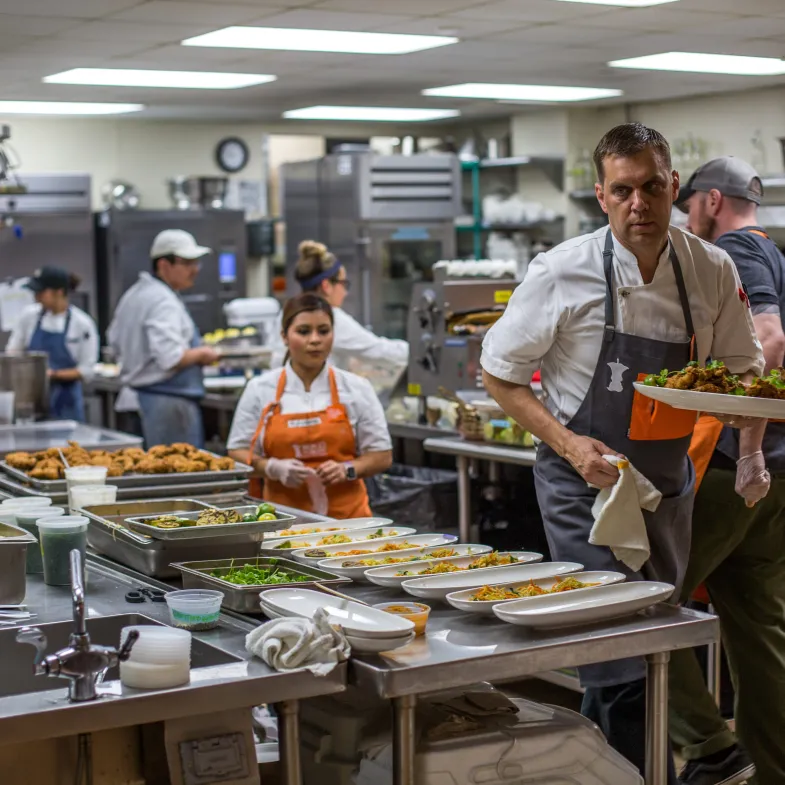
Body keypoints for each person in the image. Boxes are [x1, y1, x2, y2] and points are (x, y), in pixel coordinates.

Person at [480, 124, 764, 783]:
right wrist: (569, 442)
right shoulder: (561, 270)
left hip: (665, 483)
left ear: (672, 187)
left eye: (650, 187)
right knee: (613, 652)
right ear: (600, 197)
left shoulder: (708, 267)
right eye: (621, 190)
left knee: (653, 644)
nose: (638, 203)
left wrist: (748, 451)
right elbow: (498, 372)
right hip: (584, 483)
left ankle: (608, 768)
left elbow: (744, 374)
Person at [667, 156, 785, 785]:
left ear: (712, 201)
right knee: (759, 629)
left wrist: (746, 451)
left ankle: (709, 745)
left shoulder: (737, 250)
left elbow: (766, 340)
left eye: (687, 206)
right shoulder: (776, 251)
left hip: (737, 473)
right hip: (778, 483)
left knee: (640, 602)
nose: (686, 219)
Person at [227, 293, 392, 518]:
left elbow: (381, 456)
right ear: (285, 336)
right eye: (303, 331)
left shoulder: (356, 389)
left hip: (349, 522)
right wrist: (273, 468)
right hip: (281, 521)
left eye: (323, 331)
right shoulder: (260, 389)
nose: (315, 340)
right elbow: (237, 452)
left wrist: (347, 469)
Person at [107, 229, 219, 449]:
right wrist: (203, 353)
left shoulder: (135, 294)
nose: (195, 270)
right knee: (178, 476)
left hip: (138, 400)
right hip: (166, 405)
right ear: (164, 265)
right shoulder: (163, 301)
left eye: (196, 263)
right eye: (187, 263)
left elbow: (113, 342)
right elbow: (170, 358)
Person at [269, 240, 408, 371]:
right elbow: (380, 352)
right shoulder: (327, 317)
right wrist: (421, 350)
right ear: (326, 285)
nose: (345, 293)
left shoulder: (287, 313)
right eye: (343, 284)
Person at [7, 266, 98, 421]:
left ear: (59, 292)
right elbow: (12, 353)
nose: (36, 297)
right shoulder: (29, 316)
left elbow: (87, 370)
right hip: (31, 402)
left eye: (41, 292)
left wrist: (51, 375)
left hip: (66, 404)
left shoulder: (82, 324)